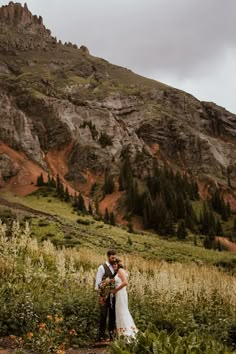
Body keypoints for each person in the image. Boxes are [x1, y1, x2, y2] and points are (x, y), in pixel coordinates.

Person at [111, 259, 138, 338]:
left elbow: (125, 282)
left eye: (115, 264)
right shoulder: (117, 272)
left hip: (121, 293)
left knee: (122, 311)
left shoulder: (120, 270)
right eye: (113, 265)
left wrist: (115, 290)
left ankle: (127, 332)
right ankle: (122, 332)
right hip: (119, 294)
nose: (114, 266)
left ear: (118, 264)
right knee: (119, 311)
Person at [95, 249, 117, 342]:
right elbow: (98, 283)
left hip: (114, 296)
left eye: (115, 257)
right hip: (104, 296)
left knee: (113, 316)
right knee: (103, 316)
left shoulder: (116, 267)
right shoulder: (102, 267)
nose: (114, 259)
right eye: (112, 258)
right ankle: (101, 336)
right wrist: (100, 296)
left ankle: (112, 337)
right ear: (108, 257)